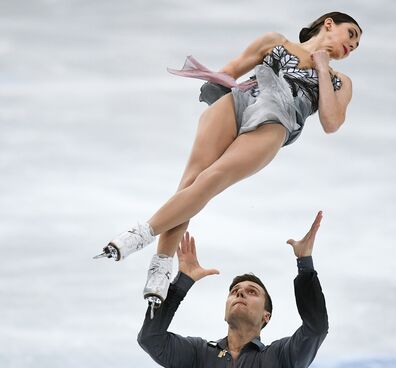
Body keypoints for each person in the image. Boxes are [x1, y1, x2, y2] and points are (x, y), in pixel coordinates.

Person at [94, 12, 362, 307]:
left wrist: (323, 69)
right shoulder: (276, 42)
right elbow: (232, 70)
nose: (353, 45)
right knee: (191, 182)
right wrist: (217, 91)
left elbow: (331, 122)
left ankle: (140, 234)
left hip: (275, 122)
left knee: (212, 179)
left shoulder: (340, 81)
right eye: (351, 34)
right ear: (328, 24)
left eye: (357, 45)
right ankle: (160, 267)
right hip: (237, 103)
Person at [138, 211, 328, 368]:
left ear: (266, 316)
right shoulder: (197, 353)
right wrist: (181, 284)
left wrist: (305, 263)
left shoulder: (281, 356)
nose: (240, 292)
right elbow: (150, 338)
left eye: (252, 291)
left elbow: (316, 328)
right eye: (234, 291)